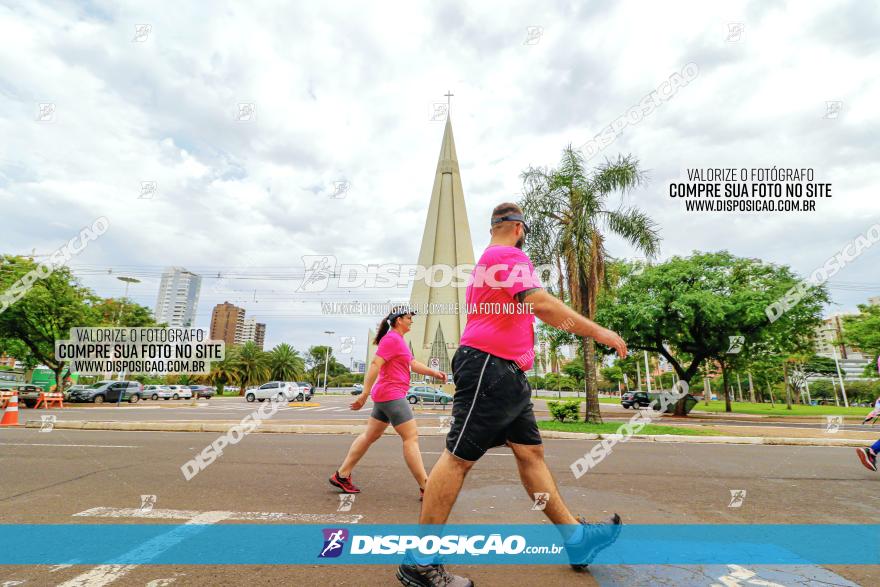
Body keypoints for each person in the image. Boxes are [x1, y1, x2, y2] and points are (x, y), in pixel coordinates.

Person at [396, 203, 629, 587]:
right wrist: (597, 331)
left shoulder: (491, 259)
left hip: (506, 372)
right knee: (457, 458)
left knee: (530, 453)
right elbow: (540, 304)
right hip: (488, 366)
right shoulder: (508, 255)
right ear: (519, 229)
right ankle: (419, 561)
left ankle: (576, 538)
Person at [330, 306, 447, 499]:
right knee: (411, 438)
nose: (412, 321)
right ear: (399, 320)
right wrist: (364, 393)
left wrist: (435, 372)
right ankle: (426, 486)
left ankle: (341, 475)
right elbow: (376, 364)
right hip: (392, 394)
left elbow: (413, 364)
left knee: (369, 436)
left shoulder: (398, 341)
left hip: (386, 395)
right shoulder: (392, 339)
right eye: (409, 317)